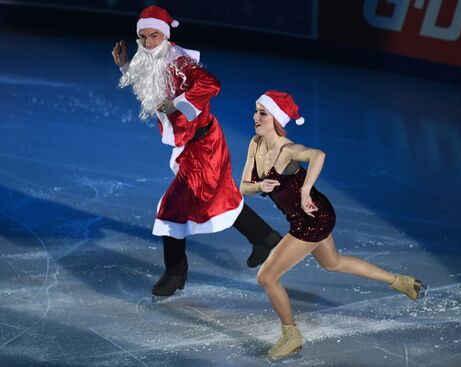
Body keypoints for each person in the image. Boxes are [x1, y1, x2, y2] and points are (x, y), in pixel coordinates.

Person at [240, 90, 426, 359]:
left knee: (267, 277)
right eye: (256, 111)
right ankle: (402, 282)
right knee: (333, 263)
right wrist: (259, 185)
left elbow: (318, 155)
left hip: (312, 219)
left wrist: (305, 191)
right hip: (306, 217)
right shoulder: (255, 144)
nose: (256, 117)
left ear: (277, 119)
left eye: (263, 113)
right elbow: (244, 187)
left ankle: (291, 335)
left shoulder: (288, 151)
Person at [112, 5, 281, 297]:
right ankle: (265, 237)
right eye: (144, 37)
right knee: (218, 199)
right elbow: (151, 89)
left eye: (155, 36)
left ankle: (175, 271)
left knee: (170, 208)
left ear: (165, 34)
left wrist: (177, 104)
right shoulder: (151, 56)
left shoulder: (179, 61)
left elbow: (211, 84)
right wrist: (126, 68)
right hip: (193, 145)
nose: (149, 42)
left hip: (203, 147)